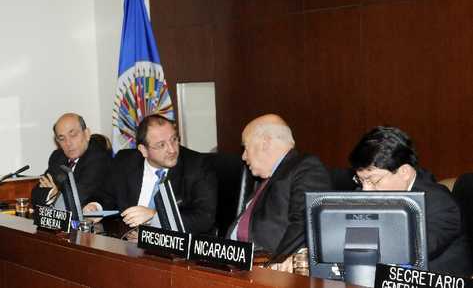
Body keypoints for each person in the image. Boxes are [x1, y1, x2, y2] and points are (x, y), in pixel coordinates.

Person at [349, 126, 472, 276]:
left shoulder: (441, 204)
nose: (365, 190)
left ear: (404, 172)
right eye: (360, 180)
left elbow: (411, 250)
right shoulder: (367, 193)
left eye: (373, 180)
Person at [84, 114, 217, 235]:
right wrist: (95, 206)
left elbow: (204, 219)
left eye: (174, 139)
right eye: (161, 145)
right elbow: (106, 194)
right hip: (127, 243)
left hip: (174, 251)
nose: (171, 149)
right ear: (143, 150)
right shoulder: (125, 161)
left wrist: (155, 216)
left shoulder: (197, 166)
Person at [227, 114, 332, 257]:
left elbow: (306, 223)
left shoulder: (305, 168)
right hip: (236, 261)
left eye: (246, 148)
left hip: (268, 268)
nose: (243, 156)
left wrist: (278, 262)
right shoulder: (266, 179)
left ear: (265, 143)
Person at [31, 113, 111, 207]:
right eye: (62, 138)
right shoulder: (58, 157)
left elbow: (79, 198)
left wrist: (56, 195)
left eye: (73, 135)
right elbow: (36, 194)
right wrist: (53, 194)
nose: (68, 143)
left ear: (86, 134)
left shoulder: (98, 157)